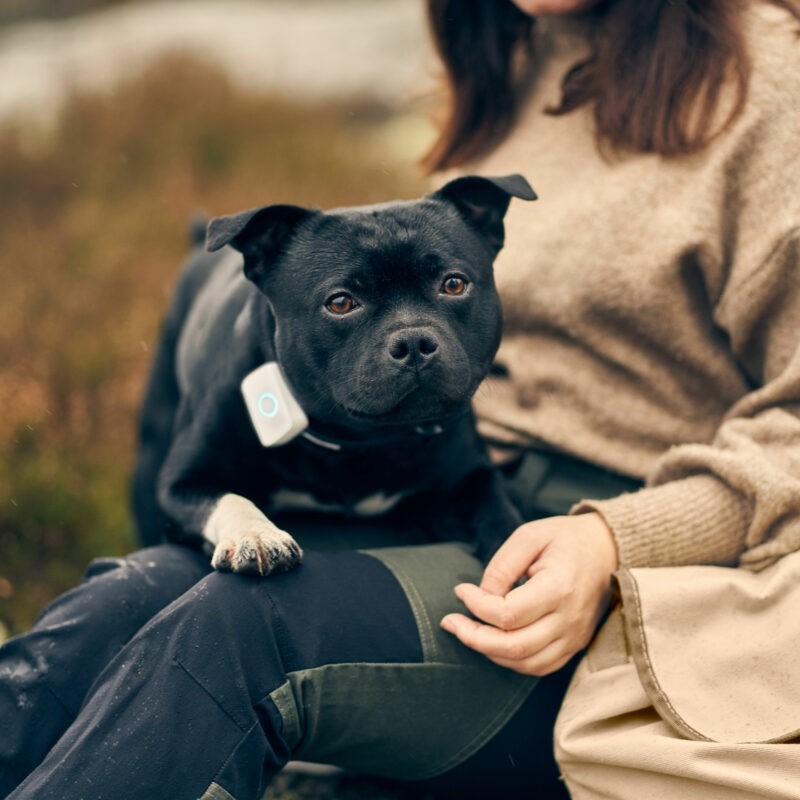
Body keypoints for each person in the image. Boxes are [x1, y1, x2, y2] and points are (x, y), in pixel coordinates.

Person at [2, 0, 800, 797]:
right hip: (443, 480)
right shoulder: (510, 63)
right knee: (117, 607)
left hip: (627, 566)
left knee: (241, 631)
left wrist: (615, 543)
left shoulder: (769, 84)